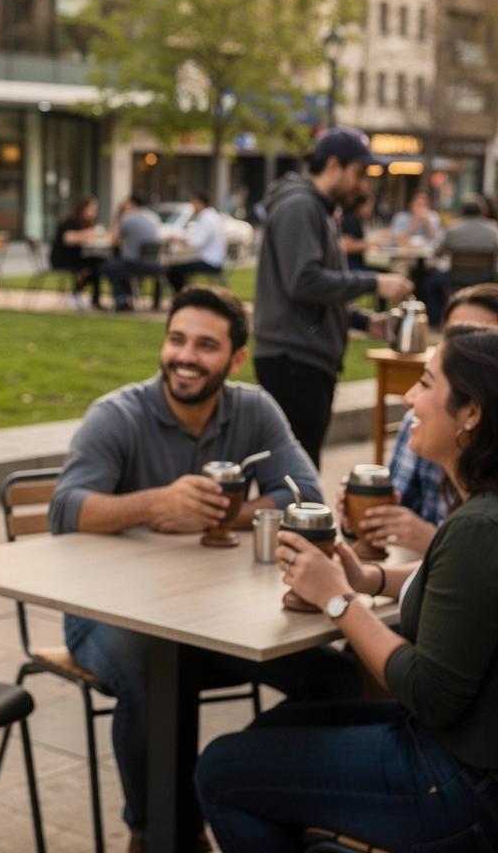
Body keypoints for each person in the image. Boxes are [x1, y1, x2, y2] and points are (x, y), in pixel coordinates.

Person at [49, 286, 360, 853]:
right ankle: (161, 832)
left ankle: (262, 790)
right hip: (108, 614)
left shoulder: (254, 409)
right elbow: (65, 510)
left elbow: (306, 494)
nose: (185, 356)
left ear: (236, 358)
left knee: (339, 678)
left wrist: (228, 515)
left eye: (206, 345)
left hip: (214, 617)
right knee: (147, 674)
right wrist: (155, 503)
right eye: (176, 339)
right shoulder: (117, 414)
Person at [195, 324, 498, 852]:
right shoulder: (481, 514)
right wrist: (369, 577)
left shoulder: (478, 527)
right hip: (462, 763)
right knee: (276, 727)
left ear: (470, 412)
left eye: (426, 383)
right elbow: (461, 588)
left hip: (454, 785)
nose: (410, 396)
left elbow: (429, 692)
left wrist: (339, 599)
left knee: (221, 770)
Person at [253, 127, 413, 467]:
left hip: (302, 357)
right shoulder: (300, 206)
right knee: (296, 473)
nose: (363, 185)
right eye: (360, 173)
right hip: (293, 358)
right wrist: (374, 284)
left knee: (292, 470)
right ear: (334, 165)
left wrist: (364, 321)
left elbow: (312, 291)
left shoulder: (316, 208)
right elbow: (303, 281)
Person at [339, 282, 498, 556]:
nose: (409, 398)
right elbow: (395, 514)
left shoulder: (482, 518)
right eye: (454, 336)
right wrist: (360, 515)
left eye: (479, 336)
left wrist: (434, 541)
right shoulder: (423, 426)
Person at [423, 195, 498, 325]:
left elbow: (439, 253)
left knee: (429, 283)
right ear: (482, 211)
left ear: (462, 211)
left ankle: (436, 320)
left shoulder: (453, 228)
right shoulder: (493, 229)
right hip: (485, 278)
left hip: (456, 278)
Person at [101, 194, 162, 312]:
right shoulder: (150, 219)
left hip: (135, 264)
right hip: (153, 265)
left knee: (108, 267)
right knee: (118, 267)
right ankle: (126, 298)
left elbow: (113, 239)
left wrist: (118, 215)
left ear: (132, 204)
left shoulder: (128, 219)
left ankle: (122, 299)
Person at [50, 194, 106, 309]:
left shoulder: (84, 223)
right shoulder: (72, 221)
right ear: (84, 209)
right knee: (96, 265)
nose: (95, 212)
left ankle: (85, 296)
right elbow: (68, 238)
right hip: (62, 259)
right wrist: (89, 233)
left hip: (74, 257)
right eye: (92, 209)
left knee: (99, 263)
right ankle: (79, 295)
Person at [166, 191, 227, 293]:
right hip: (215, 259)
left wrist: (177, 238)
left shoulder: (207, 219)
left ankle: (182, 297)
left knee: (173, 270)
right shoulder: (212, 216)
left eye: (193, 203)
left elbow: (196, 242)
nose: (192, 206)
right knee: (179, 268)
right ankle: (184, 295)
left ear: (200, 203)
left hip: (210, 261)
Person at [338, 191, 374, 273]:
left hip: (355, 265)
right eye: (369, 206)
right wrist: (371, 244)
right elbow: (345, 246)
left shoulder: (354, 220)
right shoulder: (350, 221)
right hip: (351, 267)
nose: (371, 209)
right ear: (360, 206)